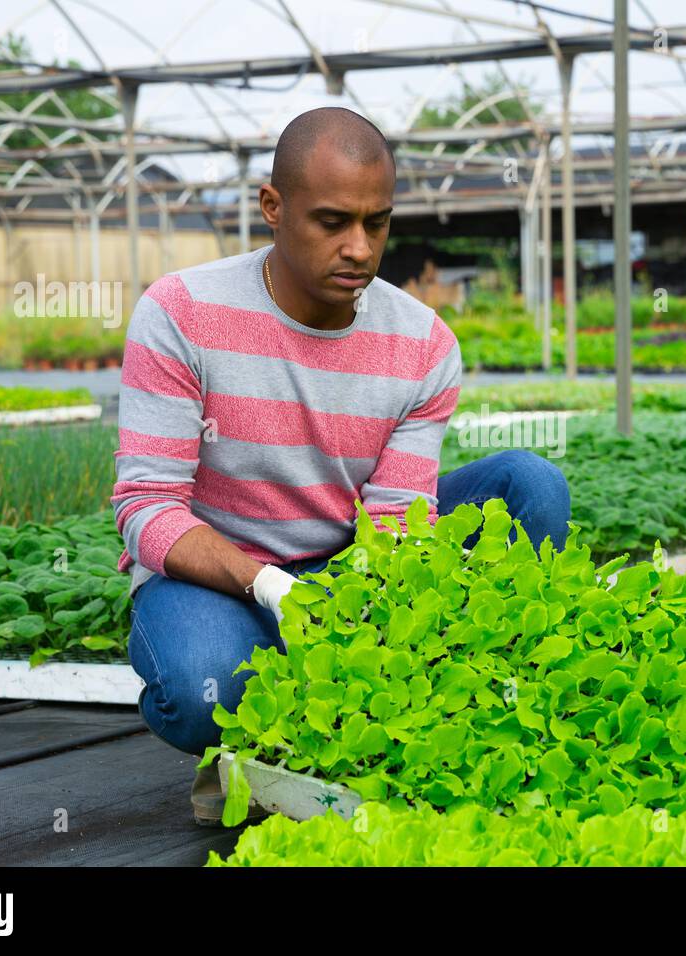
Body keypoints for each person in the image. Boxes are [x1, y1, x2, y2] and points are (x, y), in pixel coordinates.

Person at [110, 107, 570, 826]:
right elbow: (146, 507)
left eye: (377, 223)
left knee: (531, 487)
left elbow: (395, 523)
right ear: (273, 207)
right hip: (220, 572)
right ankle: (243, 733)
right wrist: (269, 586)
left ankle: (456, 716)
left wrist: (359, 608)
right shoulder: (182, 313)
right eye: (332, 222)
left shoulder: (423, 343)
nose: (359, 248)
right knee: (202, 686)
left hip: (348, 553)